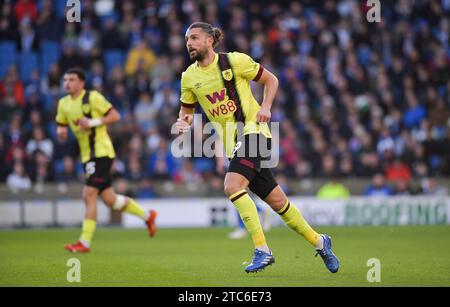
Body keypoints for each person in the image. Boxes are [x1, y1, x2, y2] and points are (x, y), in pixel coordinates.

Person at [174, 22, 339, 273]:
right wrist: (183, 122)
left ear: (210, 41)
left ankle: (262, 250)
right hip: (233, 145)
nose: (189, 43)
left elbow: (271, 80)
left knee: (232, 186)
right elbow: (187, 111)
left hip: (255, 132)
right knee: (277, 202)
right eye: (187, 39)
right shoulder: (188, 77)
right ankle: (320, 241)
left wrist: (266, 107)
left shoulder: (234, 61)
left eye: (194, 38)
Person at [55, 67, 157, 253]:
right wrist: (61, 133)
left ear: (81, 83)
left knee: (88, 194)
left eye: (71, 80)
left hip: (101, 152)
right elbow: (61, 125)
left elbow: (115, 115)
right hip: (87, 155)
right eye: (65, 80)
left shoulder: (92, 97)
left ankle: (84, 242)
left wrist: (92, 123)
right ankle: (147, 216)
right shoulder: (63, 103)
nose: (67, 83)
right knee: (110, 200)